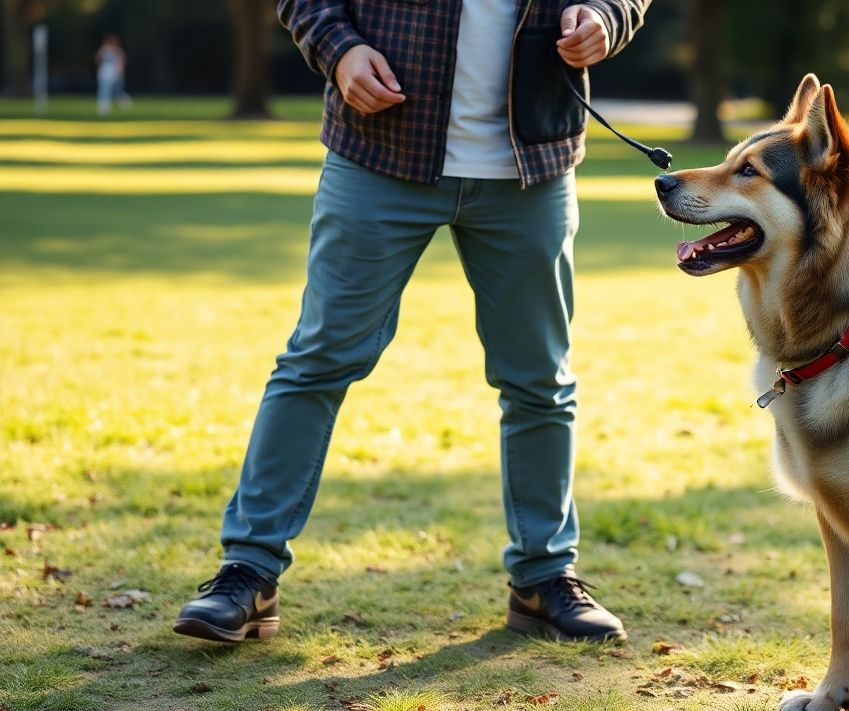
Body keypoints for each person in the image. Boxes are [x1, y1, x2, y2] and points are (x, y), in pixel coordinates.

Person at [172, 0, 649, 645]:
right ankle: (248, 572)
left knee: (540, 377)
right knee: (316, 361)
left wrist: (606, 15)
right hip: (382, 150)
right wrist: (337, 48)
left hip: (530, 163)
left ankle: (543, 577)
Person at [94, 34, 131, 116]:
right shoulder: (103, 50)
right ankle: (104, 107)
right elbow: (97, 59)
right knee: (104, 90)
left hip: (115, 74)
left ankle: (125, 101)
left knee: (116, 92)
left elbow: (122, 62)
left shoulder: (118, 51)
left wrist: (119, 72)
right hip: (104, 74)